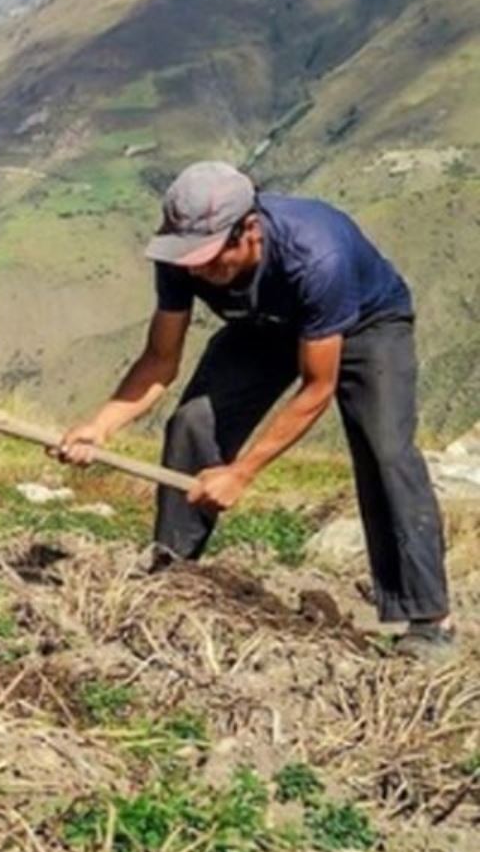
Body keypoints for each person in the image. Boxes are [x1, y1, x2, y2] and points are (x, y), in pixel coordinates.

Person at [57, 161, 456, 662]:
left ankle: (429, 618)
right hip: (266, 324)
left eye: (209, 258)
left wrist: (242, 473)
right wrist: (101, 425)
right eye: (189, 259)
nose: (198, 270)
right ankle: (171, 572)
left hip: (365, 324)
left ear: (249, 230)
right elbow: (160, 359)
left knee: (386, 451)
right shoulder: (181, 256)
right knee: (193, 422)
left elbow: (317, 388)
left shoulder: (315, 257)